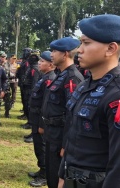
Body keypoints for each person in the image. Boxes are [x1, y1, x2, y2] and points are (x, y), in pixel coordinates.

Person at [58, 14, 120, 188]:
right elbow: (73, 137)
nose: (79, 50)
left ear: (111, 49)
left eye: (86, 43)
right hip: (72, 181)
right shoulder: (84, 87)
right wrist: (62, 177)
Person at [41, 37, 84, 188]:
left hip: (60, 137)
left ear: (65, 54)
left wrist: (66, 145)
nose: (51, 54)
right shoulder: (61, 74)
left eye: (54, 51)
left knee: (57, 177)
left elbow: (72, 114)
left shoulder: (72, 77)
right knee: (51, 174)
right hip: (52, 133)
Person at [27, 51, 56, 187]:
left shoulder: (50, 79)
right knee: (38, 146)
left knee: (42, 147)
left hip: (40, 119)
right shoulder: (44, 77)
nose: (39, 63)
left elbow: (46, 105)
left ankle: (45, 174)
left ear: (50, 65)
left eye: (42, 61)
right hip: (35, 117)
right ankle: (41, 169)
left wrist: (41, 124)